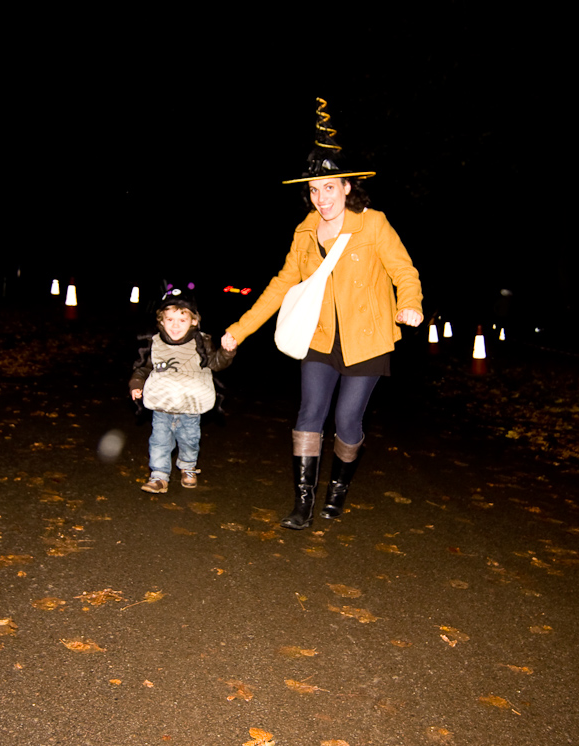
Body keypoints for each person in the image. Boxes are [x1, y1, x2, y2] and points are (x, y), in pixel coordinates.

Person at [221, 98, 423, 529]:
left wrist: (410, 304)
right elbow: (281, 284)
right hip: (318, 336)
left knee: (348, 419)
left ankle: (340, 486)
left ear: (348, 187)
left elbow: (403, 269)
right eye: (314, 190)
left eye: (329, 187)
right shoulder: (304, 232)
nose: (321, 198)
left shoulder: (374, 225)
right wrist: (240, 329)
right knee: (310, 413)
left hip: (366, 338)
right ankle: (303, 503)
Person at [130, 288, 236, 493]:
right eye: (169, 320)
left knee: (189, 440)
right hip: (162, 403)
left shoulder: (201, 342)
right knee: (159, 441)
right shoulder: (155, 343)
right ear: (161, 321)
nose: (175, 325)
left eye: (181, 319)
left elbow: (215, 363)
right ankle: (159, 476)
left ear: (194, 321)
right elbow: (143, 367)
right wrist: (136, 384)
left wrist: (227, 352)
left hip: (191, 404)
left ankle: (188, 467)